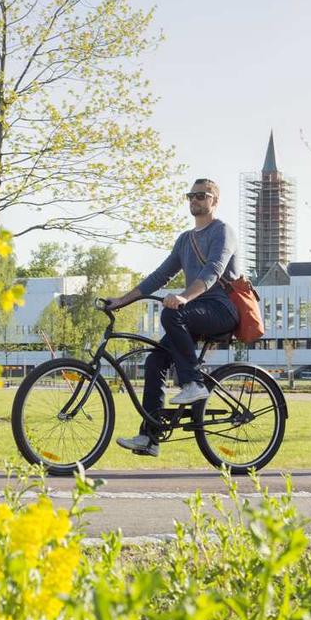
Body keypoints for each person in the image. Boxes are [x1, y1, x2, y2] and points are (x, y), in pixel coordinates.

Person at [103, 178, 242, 457]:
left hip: (220, 308)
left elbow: (213, 271)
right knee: (155, 360)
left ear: (214, 201)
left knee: (171, 314)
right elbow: (160, 275)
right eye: (191, 195)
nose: (195, 200)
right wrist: (120, 301)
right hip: (194, 311)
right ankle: (150, 438)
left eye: (202, 196)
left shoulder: (222, 231)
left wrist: (183, 298)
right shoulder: (185, 240)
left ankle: (193, 383)